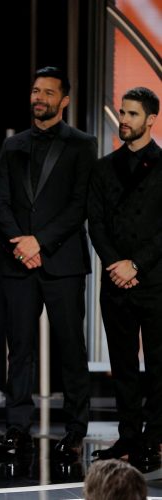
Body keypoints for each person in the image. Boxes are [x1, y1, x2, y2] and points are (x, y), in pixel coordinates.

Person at [0, 66, 97, 459]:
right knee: (19, 349)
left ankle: (75, 430)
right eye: (36, 91)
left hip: (63, 261)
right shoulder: (12, 144)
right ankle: (17, 427)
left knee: (71, 347)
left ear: (64, 100)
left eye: (49, 92)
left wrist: (40, 242)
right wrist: (22, 243)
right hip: (18, 261)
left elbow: (79, 205)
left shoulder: (83, 144)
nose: (40, 98)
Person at [88, 87, 161, 465]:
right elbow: (95, 224)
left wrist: (137, 265)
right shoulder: (103, 167)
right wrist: (117, 264)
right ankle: (128, 438)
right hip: (115, 282)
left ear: (151, 119)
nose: (124, 120)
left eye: (132, 114)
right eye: (122, 112)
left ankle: (154, 439)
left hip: (154, 283)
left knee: (159, 366)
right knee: (124, 365)